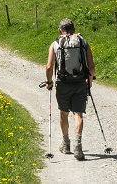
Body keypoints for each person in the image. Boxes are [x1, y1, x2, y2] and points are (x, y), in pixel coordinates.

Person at [44, 18, 96, 160]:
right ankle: (78, 145)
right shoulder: (83, 42)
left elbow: (49, 67)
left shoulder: (55, 44)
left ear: (60, 30)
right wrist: (89, 83)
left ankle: (66, 144)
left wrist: (49, 82)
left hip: (63, 83)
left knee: (63, 113)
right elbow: (91, 67)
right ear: (73, 29)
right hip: (80, 83)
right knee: (78, 114)